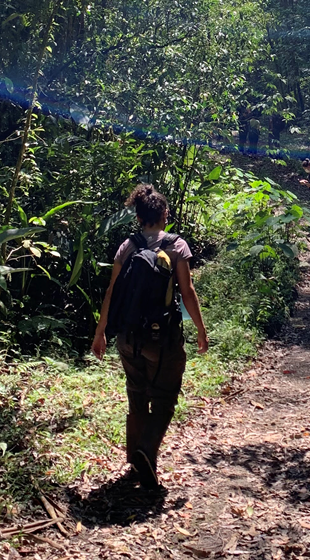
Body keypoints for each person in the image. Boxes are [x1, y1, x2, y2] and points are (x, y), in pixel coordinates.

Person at [91, 184, 209, 491]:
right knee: (165, 399)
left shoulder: (126, 246)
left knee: (137, 397)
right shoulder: (176, 246)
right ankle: (145, 452)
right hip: (163, 339)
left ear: (140, 216)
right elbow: (187, 291)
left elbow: (112, 291)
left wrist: (100, 332)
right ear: (164, 214)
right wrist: (200, 327)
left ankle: (137, 464)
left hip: (127, 338)